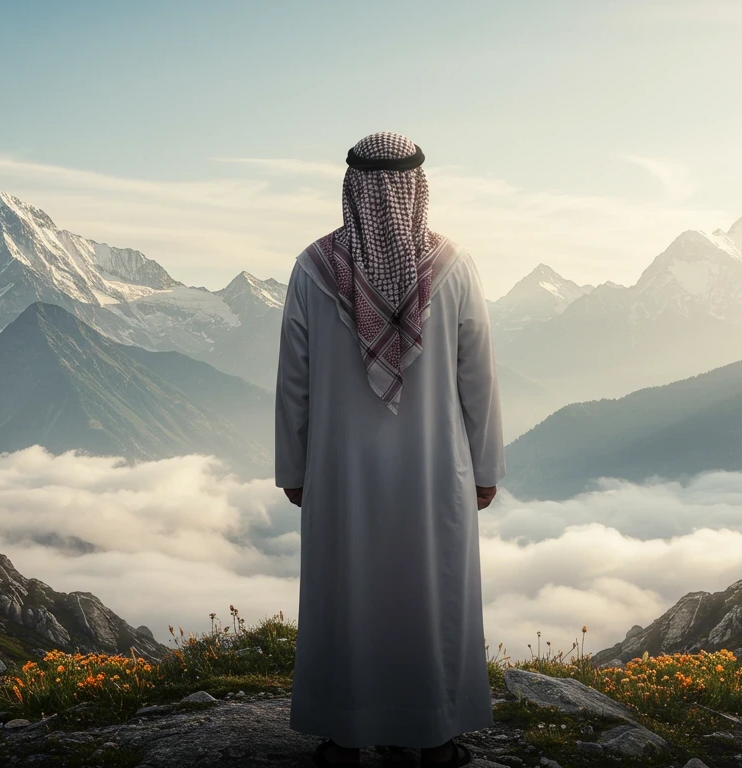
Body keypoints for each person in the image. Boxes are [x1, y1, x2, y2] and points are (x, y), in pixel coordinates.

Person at [275, 131, 506, 768]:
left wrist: (294, 468)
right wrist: (485, 468)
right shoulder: (453, 267)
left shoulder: (313, 268)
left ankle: (343, 734)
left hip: (341, 470)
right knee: (429, 596)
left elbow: (294, 380)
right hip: (434, 470)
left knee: (346, 593)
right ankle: (431, 733)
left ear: (351, 188)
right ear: (418, 189)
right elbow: (478, 378)